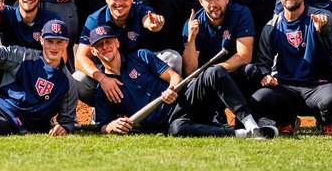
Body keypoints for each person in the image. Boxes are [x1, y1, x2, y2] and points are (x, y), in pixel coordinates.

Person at [87, 25, 275, 139]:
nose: (105, 47)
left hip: (184, 100)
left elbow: (175, 77)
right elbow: (102, 125)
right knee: (176, 130)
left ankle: (252, 126)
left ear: (117, 43)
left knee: (214, 71)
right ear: (94, 52)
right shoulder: (102, 89)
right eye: (99, 45)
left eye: (108, 42)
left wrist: (172, 89)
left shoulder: (141, 56)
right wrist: (110, 127)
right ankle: (242, 135)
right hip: (170, 123)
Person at [248, 0, 332, 136]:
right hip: (287, 88)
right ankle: (286, 121)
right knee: (258, 98)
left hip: (317, 86)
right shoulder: (272, 26)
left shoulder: (317, 16)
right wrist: (265, 75)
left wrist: (323, 23)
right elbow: (263, 62)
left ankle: (325, 121)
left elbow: (328, 22)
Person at [73, 0, 171, 105]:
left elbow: (147, 19)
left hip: (139, 68)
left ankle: (155, 107)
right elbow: (80, 59)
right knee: (78, 80)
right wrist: (103, 79)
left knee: (172, 58)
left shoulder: (140, 9)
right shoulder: (95, 19)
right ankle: (104, 107)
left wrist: (152, 25)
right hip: (109, 70)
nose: (119, 3)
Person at [183, 0, 258, 102]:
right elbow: (190, 70)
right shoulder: (193, 23)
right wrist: (191, 39)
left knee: (251, 71)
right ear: (200, 2)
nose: (213, 4)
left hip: (232, 71)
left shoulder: (241, 13)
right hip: (206, 81)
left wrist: (214, 71)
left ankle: (250, 113)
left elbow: (245, 56)